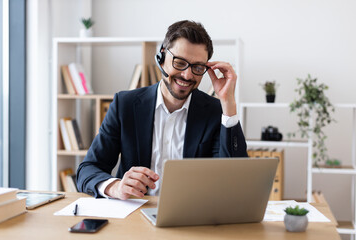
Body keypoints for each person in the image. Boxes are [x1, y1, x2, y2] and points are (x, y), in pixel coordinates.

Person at [76, 20, 248, 200]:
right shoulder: (125, 105)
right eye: (180, 62)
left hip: (191, 216)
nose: (187, 75)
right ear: (161, 58)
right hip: (136, 215)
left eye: (197, 67)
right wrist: (116, 187)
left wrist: (228, 104)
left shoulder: (214, 111)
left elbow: (235, 179)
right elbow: (87, 170)